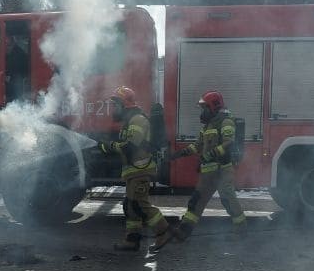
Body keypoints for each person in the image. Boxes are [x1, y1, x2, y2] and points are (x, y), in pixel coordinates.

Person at [99, 86, 173, 251]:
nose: (113, 109)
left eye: (115, 105)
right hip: (134, 171)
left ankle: (163, 231)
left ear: (124, 105)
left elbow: (130, 148)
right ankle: (132, 240)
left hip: (141, 170)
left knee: (139, 204)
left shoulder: (137, 120)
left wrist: (110, 146)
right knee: (130, 206)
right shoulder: (129, 121)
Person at [171, 89, 247, 241]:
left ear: (213, 106)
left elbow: (229, 143)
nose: (202, 112)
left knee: (227, 198)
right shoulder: (207, 126)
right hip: (209, 172)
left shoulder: (226, 121)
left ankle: (241, 228)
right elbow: (197, 146)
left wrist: (210, 154)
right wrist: (180, 153)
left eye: (204, 107)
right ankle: (184, 230)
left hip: (223, 169)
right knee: (197, 200)